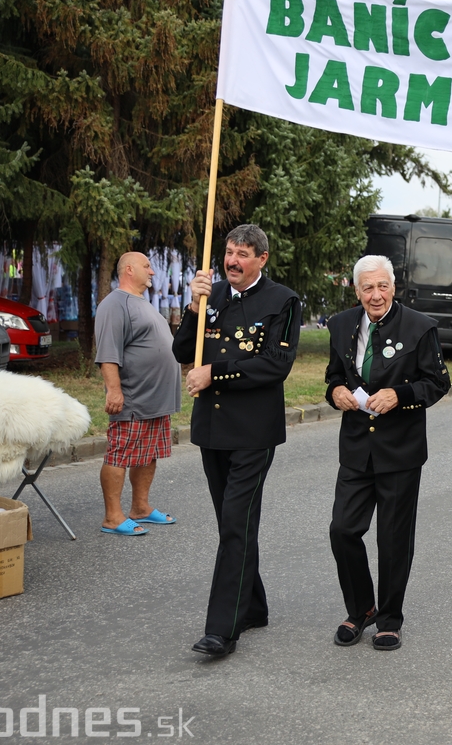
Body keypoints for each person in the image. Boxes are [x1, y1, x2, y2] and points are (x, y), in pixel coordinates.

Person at [173, 224, 302, 657]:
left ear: (262, 259)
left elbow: (275, 364)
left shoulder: (282, 300)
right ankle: (255, 606)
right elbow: (182, 351)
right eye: (229, 252)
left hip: (252, 432)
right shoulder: (214, 295)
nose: (232, 261)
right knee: (235, 525)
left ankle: (222, 629)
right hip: (212, 429)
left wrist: (216, 374)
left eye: (243, 253)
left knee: (234, 524)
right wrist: (194, 306)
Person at [325, 254, 452, 651]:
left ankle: (390, 618)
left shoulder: (420, 327)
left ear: (393, 287)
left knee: (393, 539)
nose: (376, 295)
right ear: (357, 290)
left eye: (382, 286)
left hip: (400, 451)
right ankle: (362, 608)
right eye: (367, 288)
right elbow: (333, 376)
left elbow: (437, 383)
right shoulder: (341, 324)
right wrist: (336, 393)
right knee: (343, 530)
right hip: (356, 449)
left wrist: (400, 395)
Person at [94, 252, 181, 536]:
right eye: (147, 266)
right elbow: (108, 353)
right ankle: (112, 517)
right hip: (133, 397)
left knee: (148, 454)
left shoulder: (141, 303)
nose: (152, 272)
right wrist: (114, 391)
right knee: (120, 454)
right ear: (129, 270)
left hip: (155, 399)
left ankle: (140, 508)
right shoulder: (115, 304)